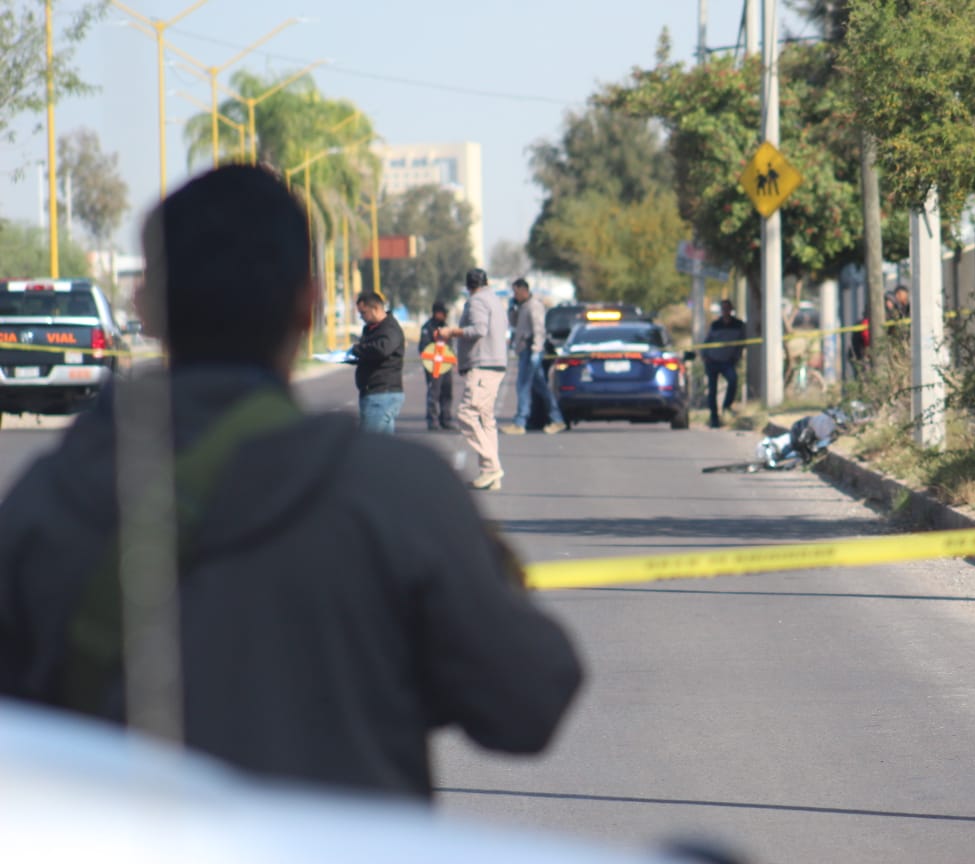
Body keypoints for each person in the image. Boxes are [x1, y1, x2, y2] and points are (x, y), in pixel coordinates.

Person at [0, 165, 582, 799]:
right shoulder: (399, 495)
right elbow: (528, 704)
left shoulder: (44, 504)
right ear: (307, 305)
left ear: (146, 309)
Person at [435, 268, 509, 490]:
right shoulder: (494, 300)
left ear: (468, 286)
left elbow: (479, 329)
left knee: (466, 414)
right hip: (495, 363)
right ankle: (491, 475)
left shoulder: (476, 301)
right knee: (486, 419)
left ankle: (492, 465)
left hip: (482, 364)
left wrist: (452, 332)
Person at [503, 278, 564, 436]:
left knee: (523, 386)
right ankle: (557, 419)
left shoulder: (534, 306)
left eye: (516, 292)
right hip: (524, 350)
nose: (515, 295)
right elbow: (514, 323)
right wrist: (512, 309)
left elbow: (539, 329)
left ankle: (520, 422)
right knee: (540, 387)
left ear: (524, 291)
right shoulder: (522, 306)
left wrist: (536, 351)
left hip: (531, 350)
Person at [352, 291, 405, 434]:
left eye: (363, 313)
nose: (361, 317)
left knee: (367, 446)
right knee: (383, 450)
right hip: (373, 393)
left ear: (375, 308)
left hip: (381, 395)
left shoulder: (390, 328)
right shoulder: (370, 329)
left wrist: (357, 350)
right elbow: (369, 352)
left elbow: (382, 349)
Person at [701, 299, 745, 428]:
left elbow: (741, 344)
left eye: (727, 308)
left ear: (731, 310)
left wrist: (736, 357)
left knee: (733, 380)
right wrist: (705, 356)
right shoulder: (716, 325)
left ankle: (726, 407)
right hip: (713, 361)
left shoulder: (738, 325)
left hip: (727, 362)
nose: (725, 311)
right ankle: (714, 417)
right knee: (712, 390)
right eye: (723, 308)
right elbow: (707, 342)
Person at [418, 302, 455, 431]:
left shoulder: (445, 327)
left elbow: (450, 346)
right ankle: (432, 421)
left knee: (447, 393)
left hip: (446, 365)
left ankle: (446, 419)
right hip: (434, 366)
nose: (443, 316)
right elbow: (424, 348)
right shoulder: (427, 328)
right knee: (434, 394)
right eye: (441, 313)